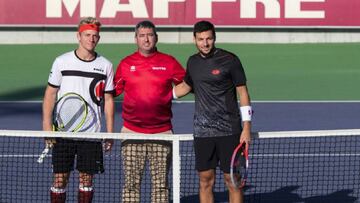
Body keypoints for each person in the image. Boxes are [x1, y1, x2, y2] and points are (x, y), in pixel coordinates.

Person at [173, 20, 252, 203]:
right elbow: (186, 86)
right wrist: (160, 96)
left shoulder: (230, 60)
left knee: (232, 181)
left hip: (229, 131)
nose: (205, 43)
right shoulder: (192, 62)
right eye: (201, 39)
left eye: (208, 38)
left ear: (214, 38)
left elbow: (243, 93)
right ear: (194, 39)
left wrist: (246, 127)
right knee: (205, 181)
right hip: (202, 133)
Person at [42, 17, 114, 203]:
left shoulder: (105, 65)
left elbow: (108, 99)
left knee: (86, 180)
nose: (91, 39)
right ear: (79, 36)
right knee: (60, 180)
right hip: (63, 134)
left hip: (91, 134)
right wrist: (47, 126)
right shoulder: (61, 61)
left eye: (95, 36)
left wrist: (110, 132)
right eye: (87, 35)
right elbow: (50, 94)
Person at [113, 20, 185, 203]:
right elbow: (113, 90)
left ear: (156, 38)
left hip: (162, 133)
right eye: (142, 35)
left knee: (161, 185)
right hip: (131, 133)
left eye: (150, 35)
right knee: (131, 184)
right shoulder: (126, 64)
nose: (146, 39)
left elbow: (187, 83)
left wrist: (171, 95)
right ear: (136, 39)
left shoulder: (169, 62)